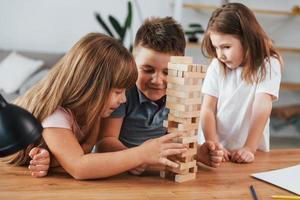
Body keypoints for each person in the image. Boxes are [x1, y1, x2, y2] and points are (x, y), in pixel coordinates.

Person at [29, 17, 223, 177]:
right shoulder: (109, 99)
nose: (157, 80)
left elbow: (81, 151)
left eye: (167, 72)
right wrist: (138, 156)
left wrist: (196, 153)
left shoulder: (178, 94)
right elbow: (92, 152)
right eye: (147, 69)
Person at [7, 32, 189, 180]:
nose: (124, 100)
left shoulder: (91, 112)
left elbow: (84, 152)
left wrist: (54, 159)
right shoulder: (55, 115)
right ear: (91, 87)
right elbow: (79, 167)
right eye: (118, 92)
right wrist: (140, 154)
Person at [199, 3, 283, 163]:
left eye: (226, 47)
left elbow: (262, 108)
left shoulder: (269, 64)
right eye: (216, 47)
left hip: (250, 150)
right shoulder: (217, 65)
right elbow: (207, 109)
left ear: (247, 40)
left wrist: (249, 147)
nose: (220, 54)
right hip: (217, 150)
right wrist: (214, 145)